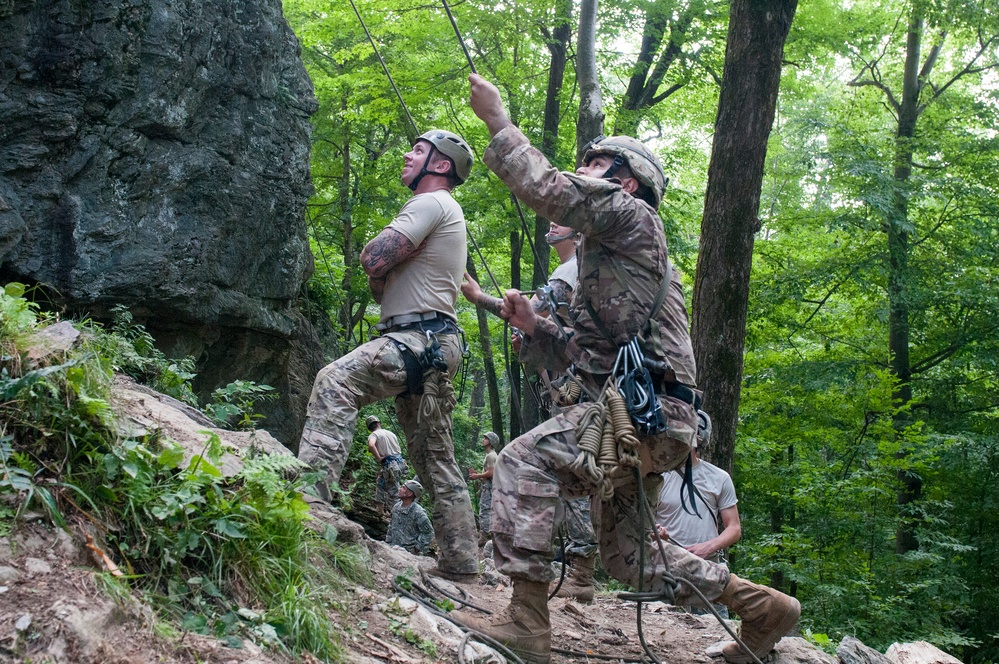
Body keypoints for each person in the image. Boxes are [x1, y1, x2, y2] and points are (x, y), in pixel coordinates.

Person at [454, 73, 800, 664]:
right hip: (647, 419)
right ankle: (764, 607)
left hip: (649, 417)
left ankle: (528, 623)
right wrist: (536, 328)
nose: (582, 171)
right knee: (629, 557)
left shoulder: (636, 220)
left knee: (522, 458)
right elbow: (591, 356)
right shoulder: (605, 266)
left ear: (626, 182)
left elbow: (552, 191)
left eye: (594, 165)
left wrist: (498, 121)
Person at [297, 130, 479, 581]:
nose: (407, 155)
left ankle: (308, 507)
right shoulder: (446, 210)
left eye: (418, 151)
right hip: (436, 346)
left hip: (415, 339)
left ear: (439, 166)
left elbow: (374, 258)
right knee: (433, 454)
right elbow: (381, 281)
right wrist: (386, 266)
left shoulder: (429, 203)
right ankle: (462, 561)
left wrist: (380, 258)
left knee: (335, 381)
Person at [462, 223, 600, 602]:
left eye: (562, 220)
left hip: (579, 390)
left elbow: (533, 311)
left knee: (542, 467)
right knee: (571, 476)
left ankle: (565, 578)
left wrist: (479, 297)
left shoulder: (571, 270)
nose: (552, 223)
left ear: (579, 233)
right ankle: (573, 572)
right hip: (574, 386)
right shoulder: (578, 268)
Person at [656, 411, 741, 617]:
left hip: (707, 567)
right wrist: (655, 531)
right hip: (665, 567)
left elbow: (734, 528)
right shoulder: (656, 477)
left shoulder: (719, 478)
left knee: (714, 632)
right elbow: (642, 518)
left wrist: (708, 547)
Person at [365, 415, 408, 515]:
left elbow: (371, 445)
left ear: (370, 428)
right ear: (379, 423)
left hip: (390, 465)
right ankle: (379, 510)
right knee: (380, 482)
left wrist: (379, 457)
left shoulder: (374, 435)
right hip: (400, 463)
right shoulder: (391, 433)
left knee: (394, 492)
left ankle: (397, 516)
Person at [386, 479, 435, 556]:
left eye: (403, 488)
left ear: (409, 493)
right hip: (392, 550)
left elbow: (428, 533)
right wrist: (388, 543)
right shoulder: (396, 507)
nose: (400, 489)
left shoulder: (418, 512)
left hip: (408, 554)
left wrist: (416, 549)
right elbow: (391, 527)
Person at [468, 431, 499, 546]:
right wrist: (477, 476)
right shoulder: (490, 455)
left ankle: (484, 537)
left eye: (486, 438)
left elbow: (491, 473)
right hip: (488, 486)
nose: (483, 440)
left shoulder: (491, 456)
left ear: (491, 442)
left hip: (489, 488)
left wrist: (477, 476)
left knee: (485, 511)